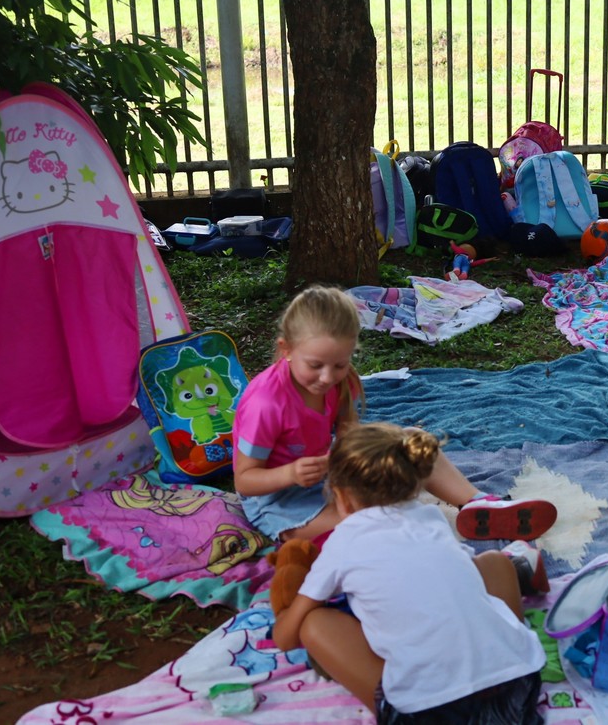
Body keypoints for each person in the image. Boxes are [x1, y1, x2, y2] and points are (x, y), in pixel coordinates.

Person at [233, 286, 556, 543]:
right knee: (372, 520)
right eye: (315, 365)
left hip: (327, 474)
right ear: (287, 350)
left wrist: (358, 458)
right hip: (280, 500)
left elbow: (347, 431)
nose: (327, 377)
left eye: (340, 364)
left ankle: (478, 504)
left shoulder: (340, 380)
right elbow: (245, 481)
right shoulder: (266, 404)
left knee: (415, 443)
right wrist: (291, 474)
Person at [272, 422, 547, 724]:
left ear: (342, 498)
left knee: (314, 623)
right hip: (518, 686)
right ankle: (506, 623)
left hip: (428, 712)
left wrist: (286, 614)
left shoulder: (342, 542)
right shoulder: (430, 517)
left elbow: (286, 639)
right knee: (494, 562)